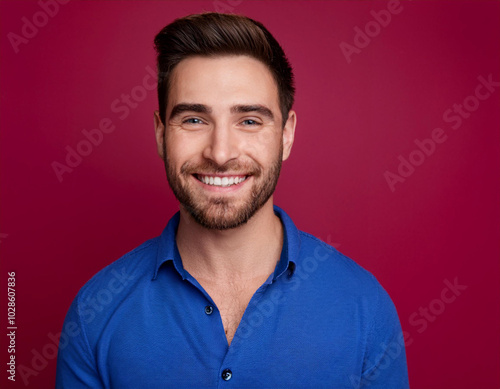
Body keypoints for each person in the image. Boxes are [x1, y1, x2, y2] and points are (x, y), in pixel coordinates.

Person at [56, 12, 409, 389]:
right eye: (193, 119)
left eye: (250, 121)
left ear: (286, 135)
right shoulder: (95, 313)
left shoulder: (365, 309)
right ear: (161, 135)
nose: (221, 153)